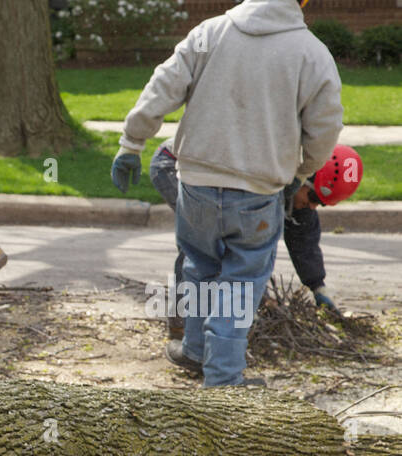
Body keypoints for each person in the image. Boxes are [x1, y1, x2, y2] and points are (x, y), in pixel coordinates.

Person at [111, 0, 342, 387]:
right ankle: (223, 380)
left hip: (197, 182)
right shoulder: (312, 54)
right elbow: (325, 128)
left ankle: (195, 351)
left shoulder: (210, 33)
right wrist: (301, 171)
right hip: (257, 190)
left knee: (198, 267)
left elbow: (164, 84)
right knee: (240, 281)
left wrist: (132, 142)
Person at [149, 138, 347, 344]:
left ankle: (212, 323)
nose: (313, 206)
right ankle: (182, 324)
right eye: (314, 198)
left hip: (219, 174)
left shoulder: (296, 189)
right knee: (200, 241)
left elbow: (303, 238)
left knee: (214, 240)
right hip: (176, 164)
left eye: (321, 204)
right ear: (304, 180)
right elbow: (246, 242)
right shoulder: (273, 173)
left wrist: (317, 286)